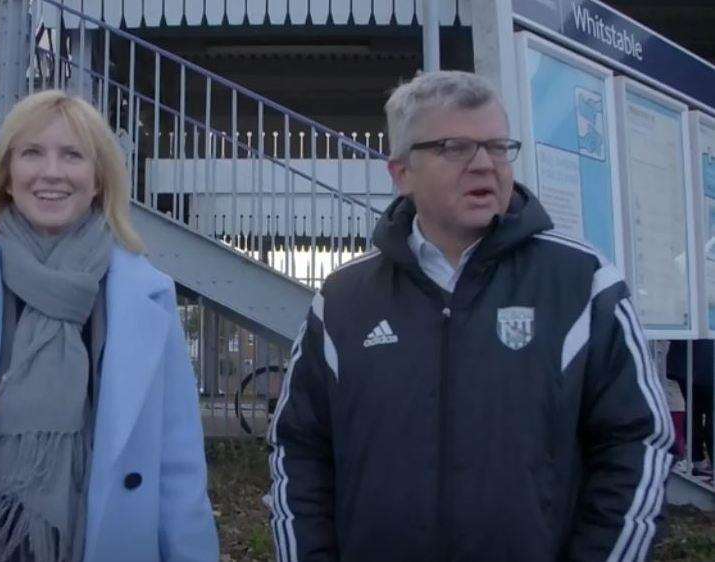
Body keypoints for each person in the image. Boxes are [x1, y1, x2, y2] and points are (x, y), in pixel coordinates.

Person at [268, 71, 673, 562]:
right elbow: (299, 450)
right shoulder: (344, 298)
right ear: (401, 173)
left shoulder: (582, 281)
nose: (485, 165)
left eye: (498, 147)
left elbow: (638, 442)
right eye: (455, 147)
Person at [0, 90, 219, 562]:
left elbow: (179, 470)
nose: (51, 172)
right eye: (32, 152)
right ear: (8, 177)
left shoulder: (146, 297)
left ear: (98, 181)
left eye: (72, 155)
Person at [667, 339, 714, 479]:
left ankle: (697, 459)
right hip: (705, 361)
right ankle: (704, 460)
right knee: (707, 412)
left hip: (684, 363)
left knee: (693, 410)